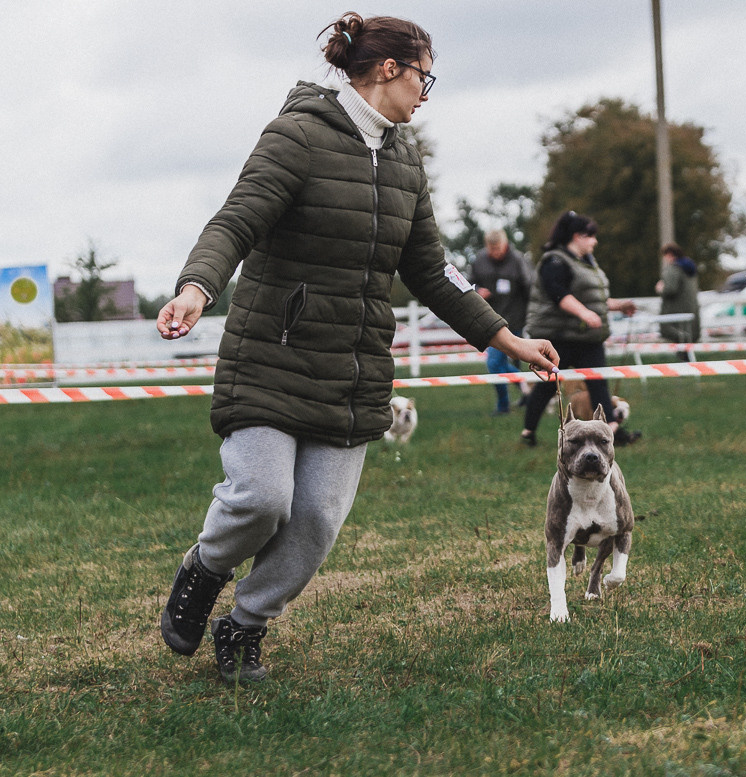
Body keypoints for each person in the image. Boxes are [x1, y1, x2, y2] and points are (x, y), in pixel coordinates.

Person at [154, 13, 558, 684]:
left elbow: (433, 269)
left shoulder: (405, 159)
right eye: (425, 76)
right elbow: (237, 219)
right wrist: (197, 287)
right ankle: (205, 565)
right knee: (260, 497)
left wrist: (505, 337)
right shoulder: (298, 135)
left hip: (353, 370)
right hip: (271, 356)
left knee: (315, 519)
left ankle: (243, 625)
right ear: (389, 69)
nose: (428, 93)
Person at [520, 211, 640, 447]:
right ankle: (528, 433)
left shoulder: (586, 263)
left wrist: (618, 306)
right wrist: (584, 313)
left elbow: (593, 301)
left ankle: (611, 433)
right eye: (591, 236)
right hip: (559, 337)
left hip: (587, 337)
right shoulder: (554, 261)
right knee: (547, 387)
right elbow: (559, 295)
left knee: (599, 384)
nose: (594, 241)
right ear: (577, 236)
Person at [468, 228, 533, 414]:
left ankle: (522, 397)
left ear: (505, 245)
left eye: (498, 248)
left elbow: (530, 287)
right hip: (490, 321)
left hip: (515, 320)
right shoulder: (479, 261)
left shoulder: (518, 260)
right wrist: (477, 289)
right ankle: (518, 393)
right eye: (491, 249)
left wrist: (532, 315)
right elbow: (468, 283)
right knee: (495, 363)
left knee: (513, 361)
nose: (495, 252)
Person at [654, 242, 700, 360]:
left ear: (669, 254)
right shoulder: (690, 268)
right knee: (687, 337)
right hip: (691, 308)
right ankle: (685, 360)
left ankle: (683, 358)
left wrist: (661, 288)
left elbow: (670, 289)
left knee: (669, 330)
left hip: (675, 309)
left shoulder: (673, 268)